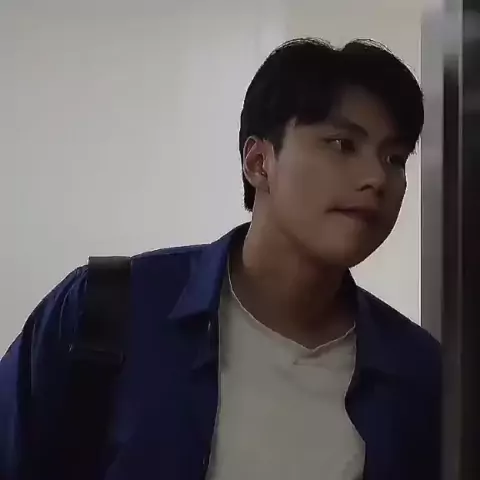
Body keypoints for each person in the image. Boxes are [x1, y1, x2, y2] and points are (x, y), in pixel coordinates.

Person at [0, 38, 440, 480]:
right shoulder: (108, 309)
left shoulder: (417, 373)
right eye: (342, 144)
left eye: (395, 158)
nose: (377, 178)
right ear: (259, 162)